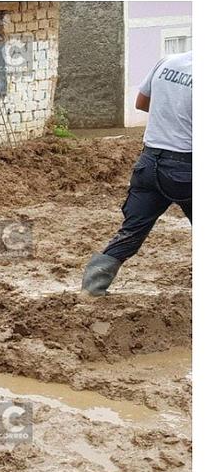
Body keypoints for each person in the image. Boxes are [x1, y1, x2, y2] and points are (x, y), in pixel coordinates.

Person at [82, 51, 192, 295]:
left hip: (149, 164)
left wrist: (172, 117)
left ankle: (92, 289)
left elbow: (141, 103)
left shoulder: (167, 62)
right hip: (187, 169)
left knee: (131, 231)